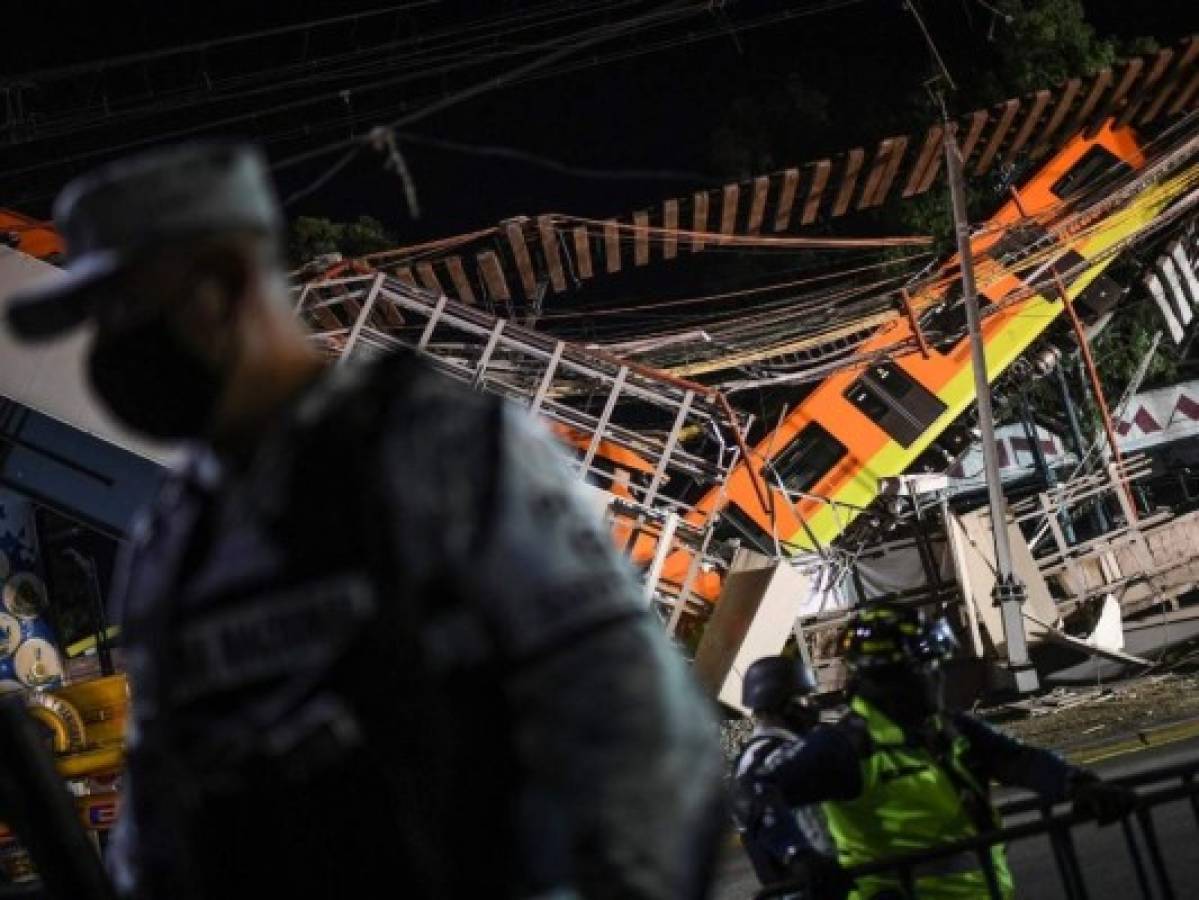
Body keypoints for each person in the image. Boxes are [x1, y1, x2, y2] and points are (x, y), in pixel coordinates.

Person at [3, 143, 724, 899]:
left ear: (219, 287)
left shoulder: (441, 452)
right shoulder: (174, 544)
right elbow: (164, 818)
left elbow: (640, 742)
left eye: (123, 313)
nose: (107, 354)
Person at [734, 603, 1135, 899]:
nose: (938, 676)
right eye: (927, 667)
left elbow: (1016, 760)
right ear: (888, 677)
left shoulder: (947, 727)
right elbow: (754, 791)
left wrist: (1078, 784)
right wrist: (799, 857)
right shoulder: (848, 747)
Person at [731, 656, 846, 898]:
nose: (811, 707)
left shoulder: (777, 748)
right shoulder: (765, 756)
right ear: (785, 705)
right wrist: (799, 856)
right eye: (803, 699)